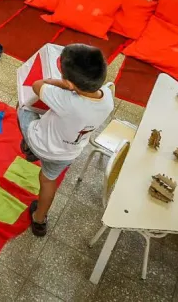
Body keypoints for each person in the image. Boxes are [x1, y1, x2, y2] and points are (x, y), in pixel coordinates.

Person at [18, 44, 113, 237]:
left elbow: (37, 85)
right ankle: (39, 219)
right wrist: (69, 85)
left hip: (41, 143)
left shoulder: (65, 99)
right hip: (67, 154)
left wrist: (60, 83)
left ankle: (29, 146)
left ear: (69, 83)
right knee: (48, 181)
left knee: (22, 108)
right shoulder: (108, 98)